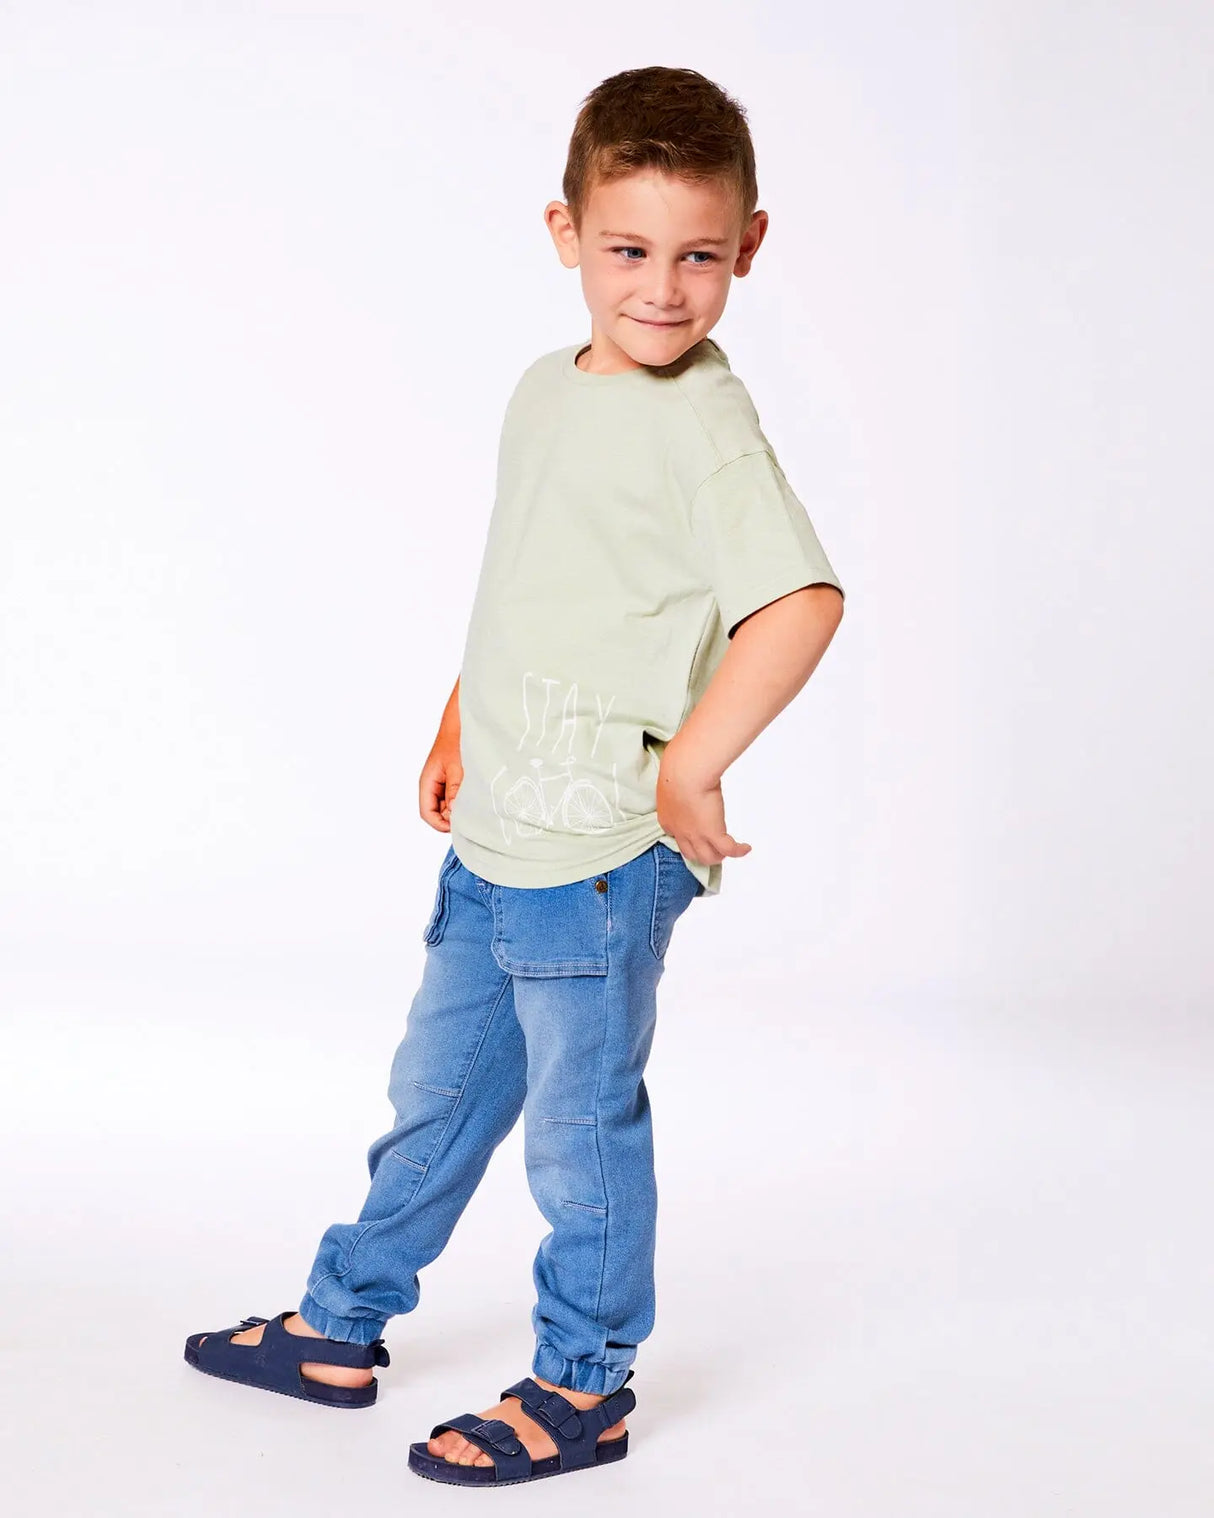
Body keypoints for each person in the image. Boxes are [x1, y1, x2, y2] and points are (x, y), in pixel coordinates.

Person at [184, 63, 846, 1487]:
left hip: (600, 858)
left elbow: (798, 603)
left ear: (748, 248)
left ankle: (582, 1383)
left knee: (578, 1138)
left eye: (699, 256)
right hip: (496, 838)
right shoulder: (547, 393)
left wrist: (693, 769)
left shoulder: (704, 424)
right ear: (566, 233)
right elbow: (527, 585)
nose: (661, 289)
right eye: (629, 249)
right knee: (434, 1100)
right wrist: (458, 720)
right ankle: (339, 1322)